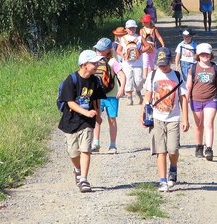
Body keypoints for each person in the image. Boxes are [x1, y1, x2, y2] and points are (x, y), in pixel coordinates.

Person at [140, 47, 189, 192]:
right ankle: (162, 181)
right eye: (160, 64)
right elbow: (147, 97)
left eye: (165, 64)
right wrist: (142, 113)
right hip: (156, 118)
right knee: (160, 151)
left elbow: (183, 99)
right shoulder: (152, 75)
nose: (162, 66)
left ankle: (173, 168)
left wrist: (185, 119)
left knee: (173, 150)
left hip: (173, 118)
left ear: (171, 61)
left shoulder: (177, 76)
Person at [58, 50, 106, 193]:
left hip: (87, 121)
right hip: (70, 120)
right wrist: (86, 111)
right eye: (94, 63)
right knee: (73, 152)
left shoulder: (95, 80)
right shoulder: (71, 80)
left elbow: (96, 99)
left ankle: (84, 179)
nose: (97, 65)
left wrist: (97, 114)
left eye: (97, 62)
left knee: (85, 149)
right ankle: (77, 169)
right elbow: (70, 103)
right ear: (84, 64)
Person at [186, 43, 217, 161]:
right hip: (195, 100)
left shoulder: (215, 68)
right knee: (198, 125)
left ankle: (209, 148)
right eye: (202, 54)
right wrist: (185, 102)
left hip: (211, 99)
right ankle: (199, 146)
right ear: (198, 55)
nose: (205, 56)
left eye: (207, 53)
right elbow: (188, 87)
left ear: (211, 54)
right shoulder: (193, 68)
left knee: (208, 123)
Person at [92, 38, 126, 154]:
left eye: (100, 49)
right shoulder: (93, 61)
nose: (97, 51)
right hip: (97, 95)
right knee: (96, 117)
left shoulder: (112, 62)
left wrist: (121, 89)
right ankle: (95, 142)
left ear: (107, 50)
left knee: (112, 119)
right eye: (97, 48)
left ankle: (112, 144)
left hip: (112, 95)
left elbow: (122, 75)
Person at [116, 19, 150, 106]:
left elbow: (147, 46)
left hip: (138, 63)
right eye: (130, 28)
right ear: (126, 29)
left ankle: (138, 91)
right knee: (128, 80)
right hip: (127, 64)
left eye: (133, 28)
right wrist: (122, 55)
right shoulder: (123, 39)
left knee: (138, 81)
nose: (131, 30)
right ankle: (129, 99)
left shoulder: (139, 38)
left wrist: (141, 51)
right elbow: (118, 50)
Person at [140, 14, 165, 79]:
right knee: (145, 61)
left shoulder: (154, 29)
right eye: (144, 22)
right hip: (145, 48)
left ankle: (151, 75)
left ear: (150, 21)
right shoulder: (142, 30)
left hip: (153, 48)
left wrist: (162, 44)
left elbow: (159, 36)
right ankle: (145, 76)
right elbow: (140, 39)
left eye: (146, 22)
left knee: (152, 61)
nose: (145, 23)